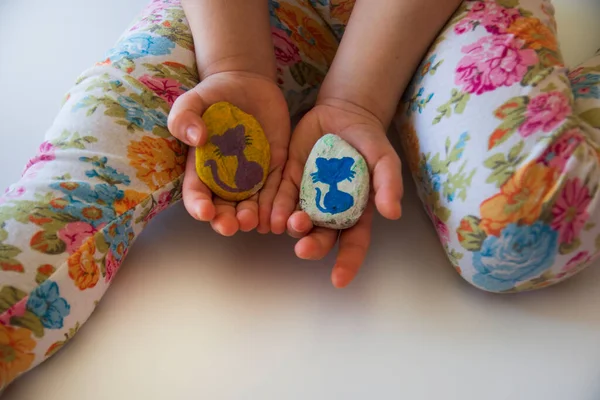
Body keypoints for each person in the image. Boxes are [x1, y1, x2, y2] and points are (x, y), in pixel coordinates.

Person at [0, 0, 599, 389]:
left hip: (448, 14)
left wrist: (360, 97)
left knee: (530, 220)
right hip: (239, 16)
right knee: (87, 163)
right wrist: (235, 64)